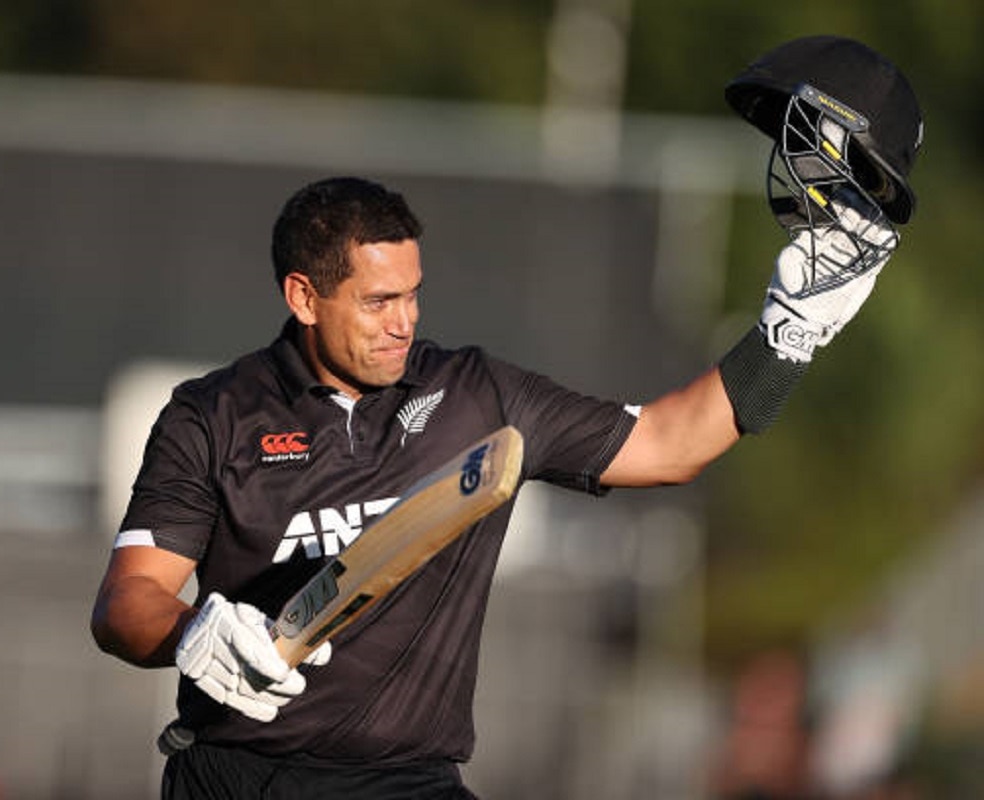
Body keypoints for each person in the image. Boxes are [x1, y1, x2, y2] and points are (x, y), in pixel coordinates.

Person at [91, 36, 921, 800]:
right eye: (377, 301)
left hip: (410, 782)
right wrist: (195, 631)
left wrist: (790, 332)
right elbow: (126, 604)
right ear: (303, 297)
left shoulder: (476, 396)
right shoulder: (211, 415)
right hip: (235, 778)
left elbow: (671, 444)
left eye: (412, 295)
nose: (403, 322)